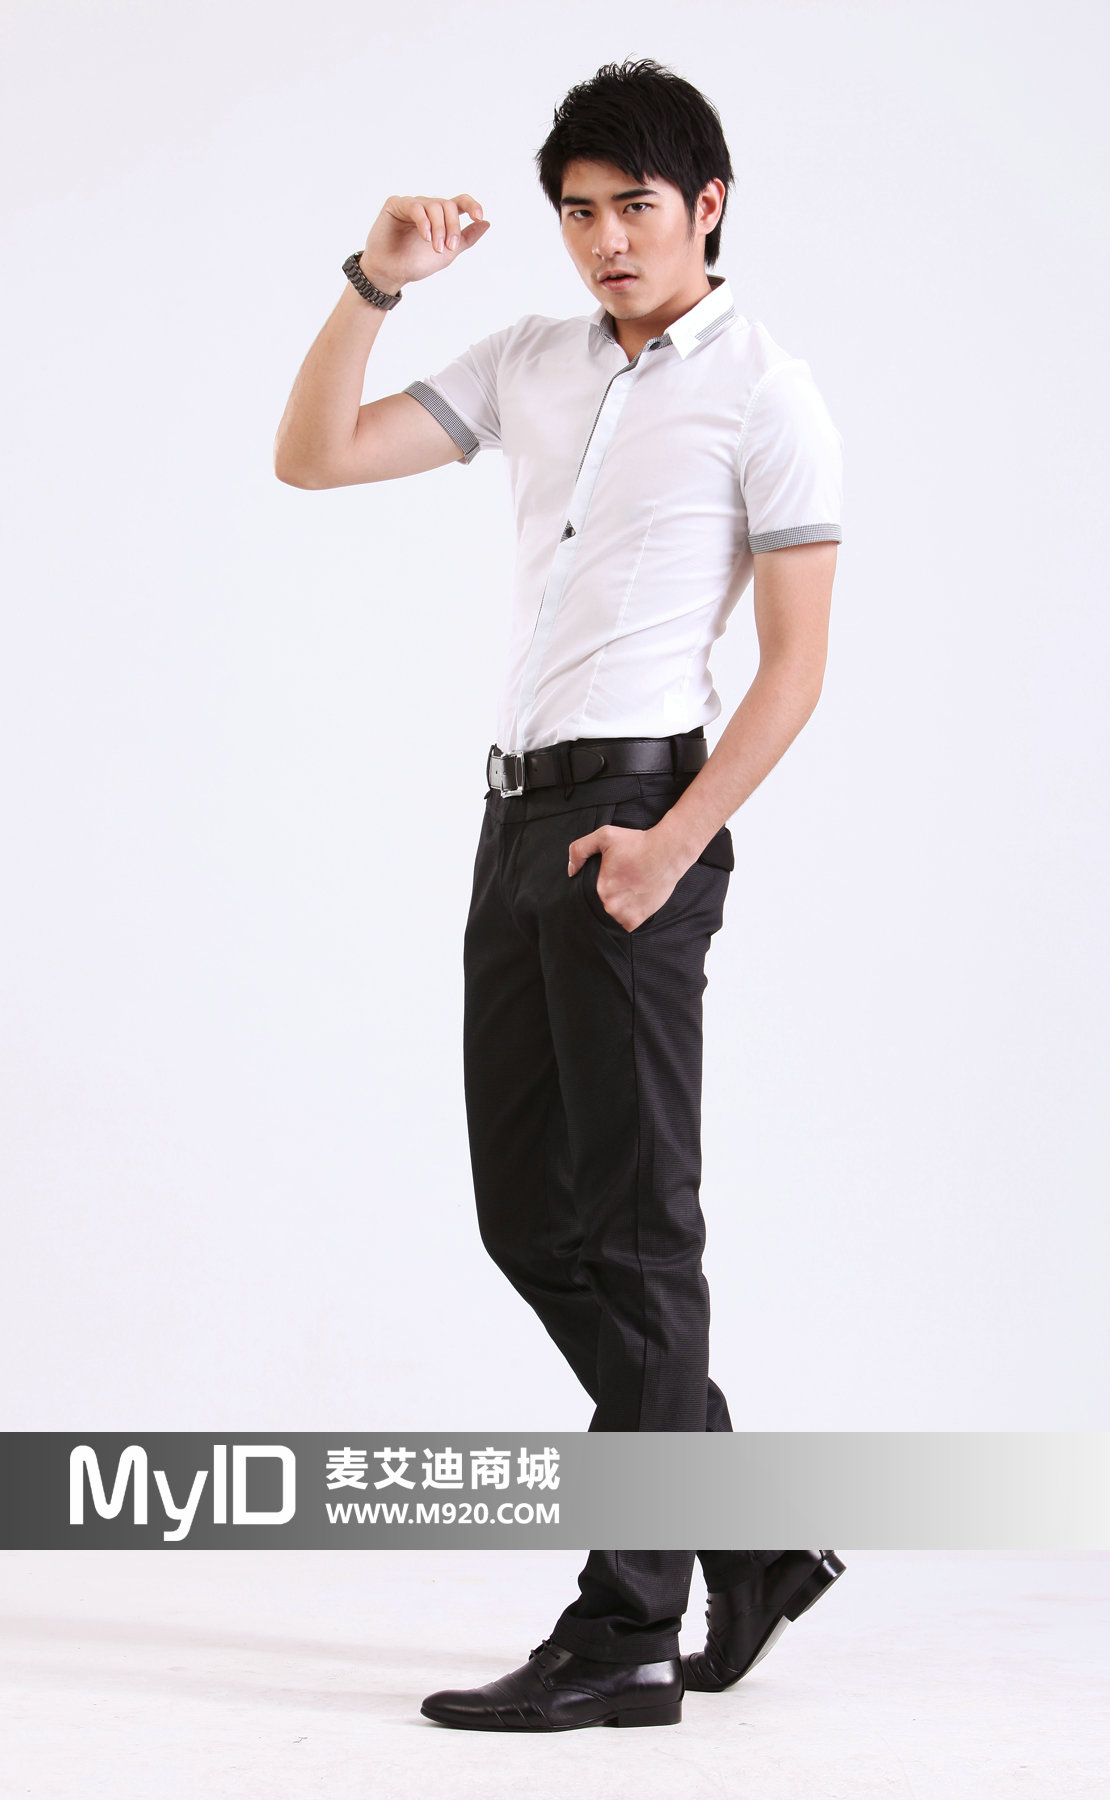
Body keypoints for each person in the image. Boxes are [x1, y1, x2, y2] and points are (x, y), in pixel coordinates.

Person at [274, 56, 846, 1733]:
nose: (606, 238)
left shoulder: (767, 391)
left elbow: (797, 668)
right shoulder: (529, 360)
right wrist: (374, 281)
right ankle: (750, 1537)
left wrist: (672, 842)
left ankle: (626, 1632)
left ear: (708, 206)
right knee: (530, 1221)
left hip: (641, 820)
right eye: (580, 212)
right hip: (519, 822)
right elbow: (314, 457)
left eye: (635, 206)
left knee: (642, 1238)